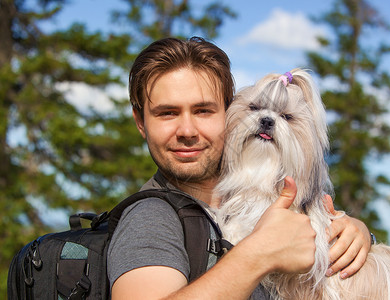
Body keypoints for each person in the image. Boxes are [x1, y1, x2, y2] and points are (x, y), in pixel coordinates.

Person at [107, 37, 371, 299]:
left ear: (229, 112)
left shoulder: (258, 189)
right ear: (141, 122)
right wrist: (260, 252)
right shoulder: (150, 219)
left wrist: (353, 234)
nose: (187, 131)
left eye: (203, 111)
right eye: (168, 113)